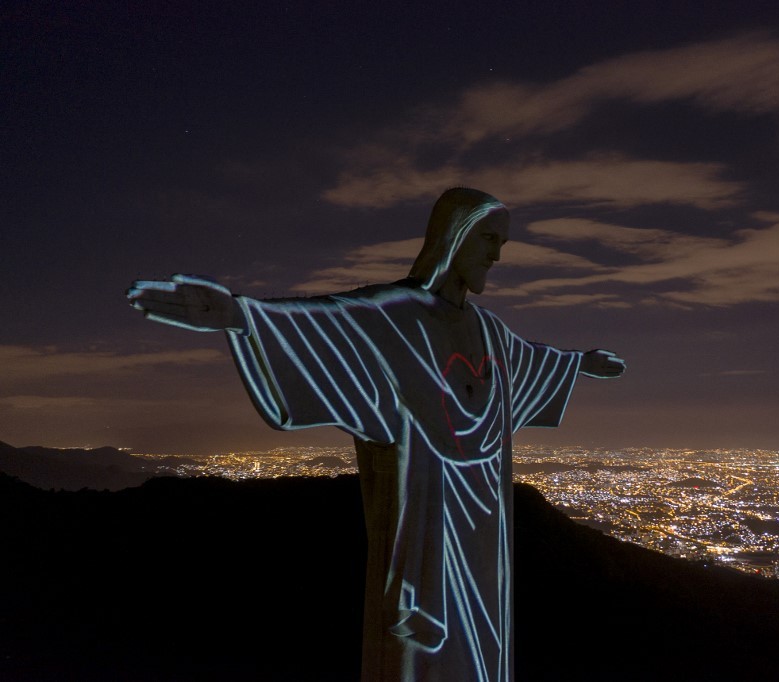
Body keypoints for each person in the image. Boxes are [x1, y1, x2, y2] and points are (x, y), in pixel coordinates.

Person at [127, 187, 625, 681]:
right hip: (428, 524)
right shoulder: (397, 317)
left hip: (485, 533)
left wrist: (578, 365)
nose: (496, 256)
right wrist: (241, 316)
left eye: (503, 244)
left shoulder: (490, 332)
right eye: (488, 239)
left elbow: (530, 362)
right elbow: (333, 325)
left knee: (482, 654)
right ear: (454, 236)